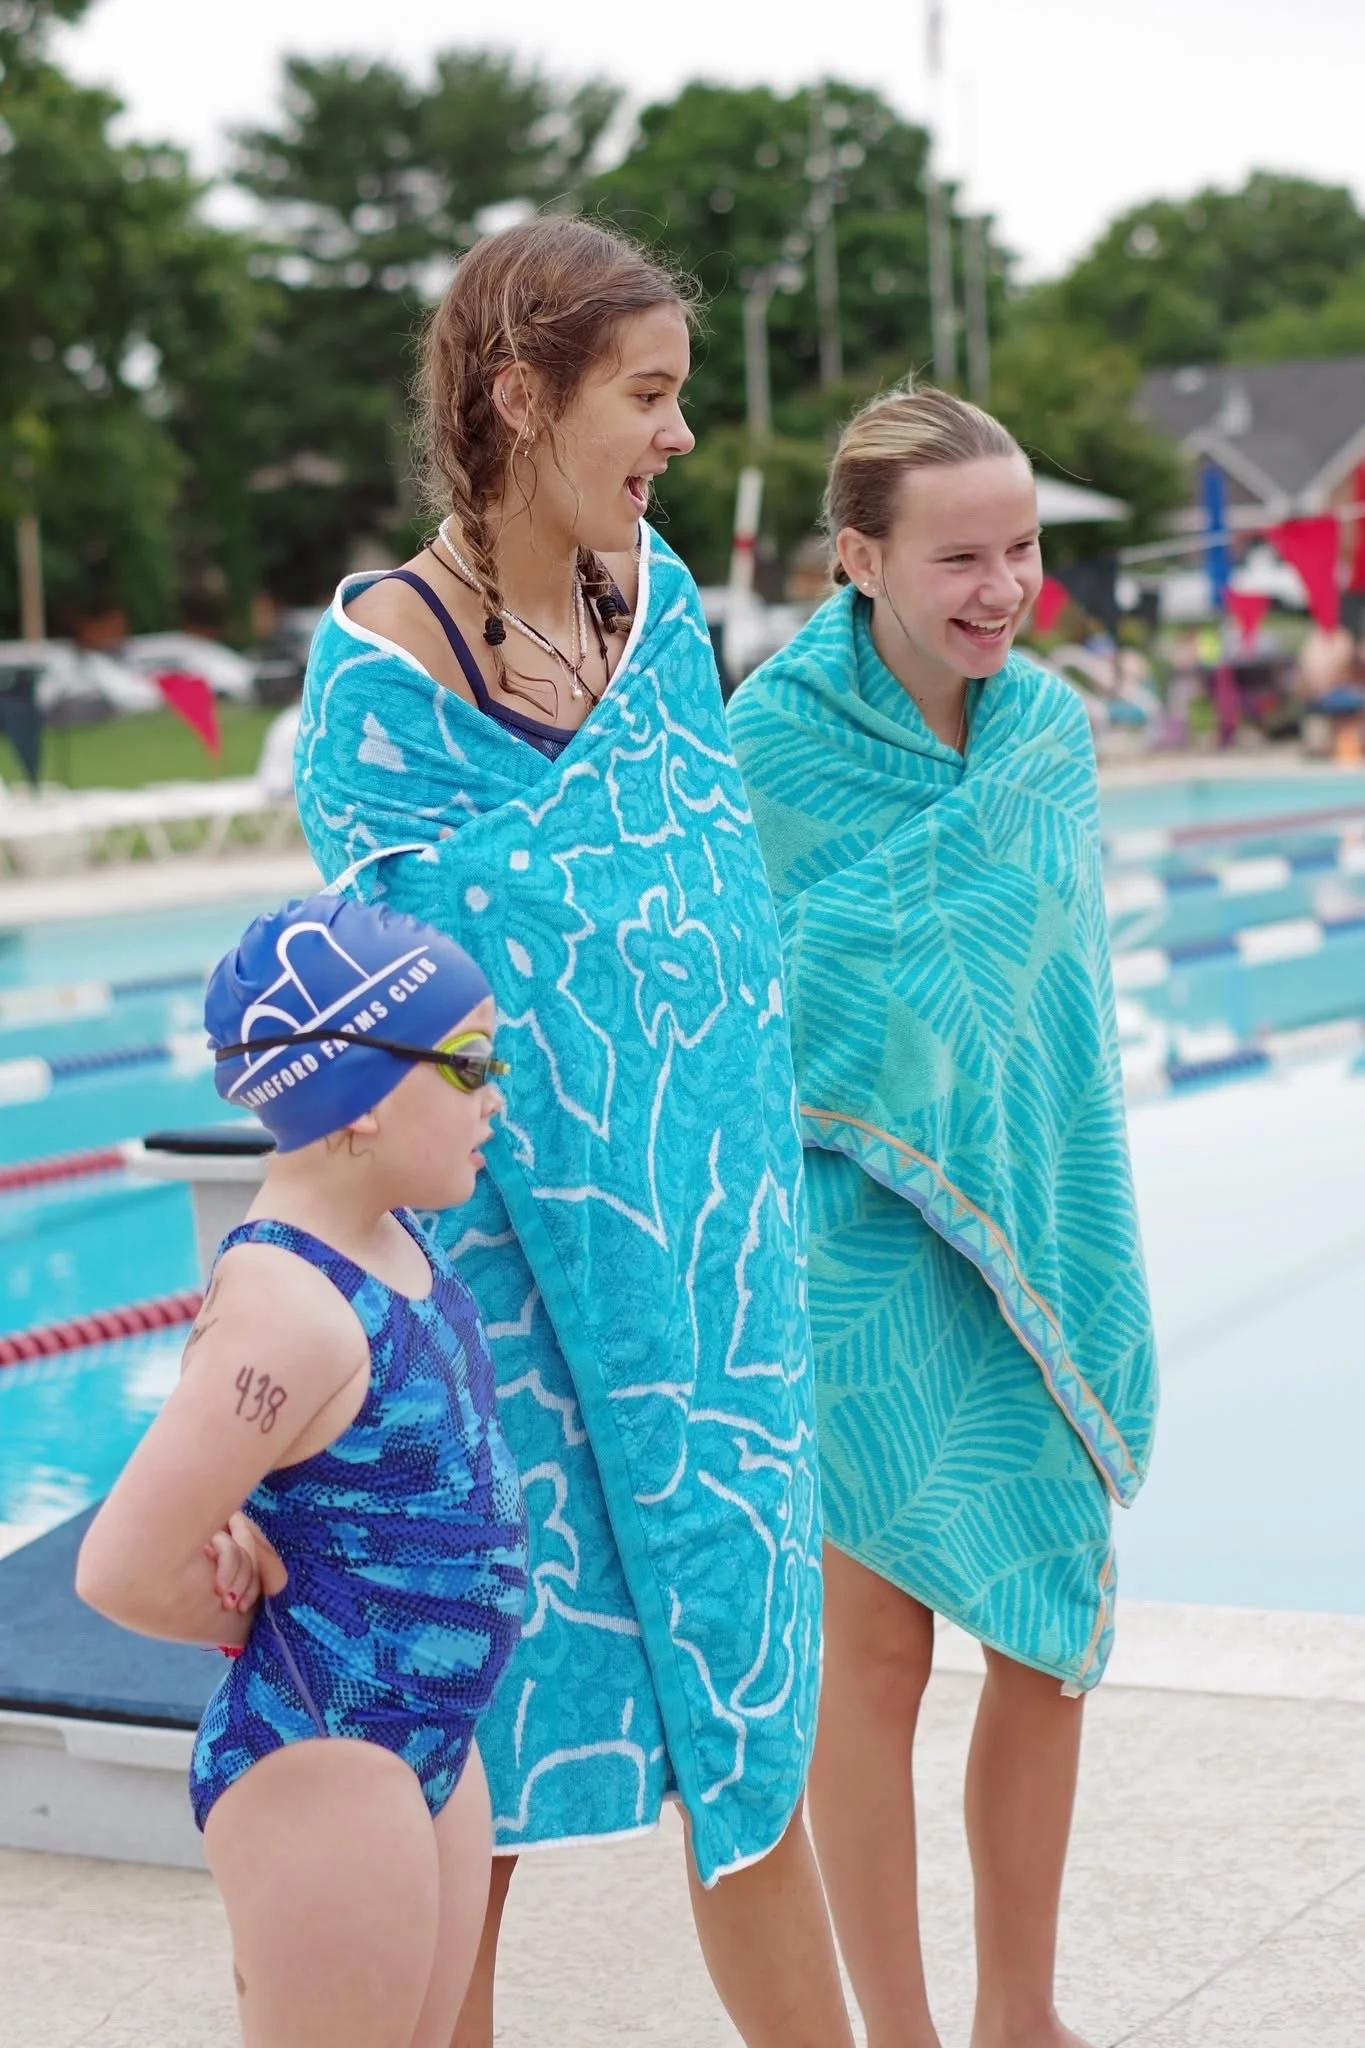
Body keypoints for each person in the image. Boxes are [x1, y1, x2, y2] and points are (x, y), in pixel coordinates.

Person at [294, 216, 851, 2048]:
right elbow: (406, 1017)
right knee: (483, 1780)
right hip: (500, 1302)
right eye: (651, 393)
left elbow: (713, 925)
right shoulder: (386, 665)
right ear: (520, 396)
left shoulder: (656, 607)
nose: (680, 434)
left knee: (748, 1729)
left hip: (705, 1287)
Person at [728, 385, 1159, 2048]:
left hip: (1031, 1236)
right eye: (961, 554)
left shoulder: (1045, 730)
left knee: (1047, 1635)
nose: (1003, 587)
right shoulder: (768, 738)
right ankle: (896, 2029)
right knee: (876, 1656)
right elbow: (750, 989)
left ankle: (1020, 2011)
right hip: (845, 1238)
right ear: (859, 555)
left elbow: (1053, 1019)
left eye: (1023, 548)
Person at [75, 891, 530, 2048]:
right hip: (325, 1744)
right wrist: (256, 1614)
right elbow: (120, 1564)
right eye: (470, 1064)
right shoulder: (286, 1304)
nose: (496, 1094)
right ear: (358, 1097)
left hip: (429, 1730)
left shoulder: (390, 1236)